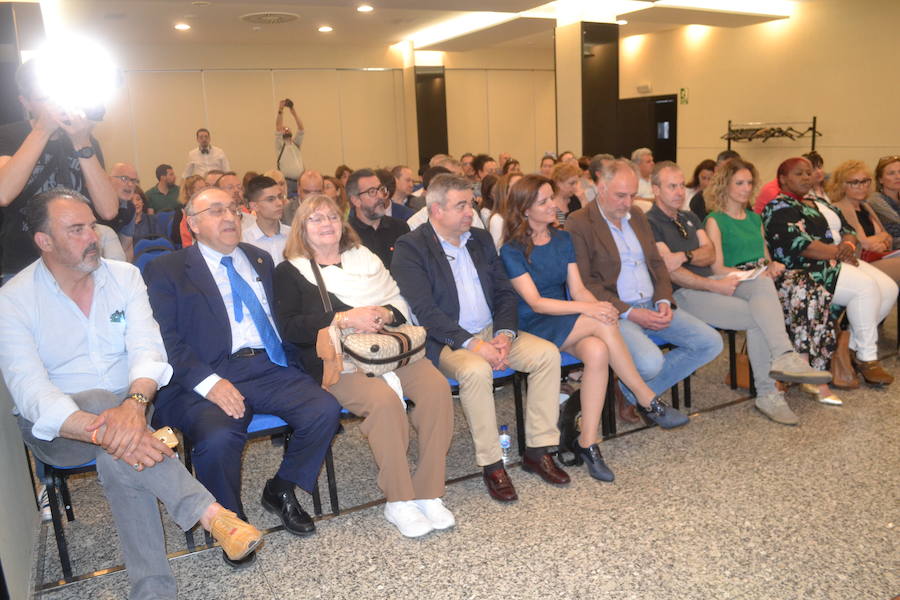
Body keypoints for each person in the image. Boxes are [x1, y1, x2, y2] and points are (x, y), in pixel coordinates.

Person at [0, 188, 262, 594]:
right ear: (44, 241)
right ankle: (210, 513)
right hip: (59, 429)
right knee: (113, 421)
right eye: (76, 230)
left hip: (134, 413)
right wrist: (115, 420)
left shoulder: (124, 276)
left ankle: (153, 590)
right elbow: (31, 391)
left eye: (92, 225)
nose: (92, 237)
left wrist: (135, 405)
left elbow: (148, 349)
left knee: (119, 458)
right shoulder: (13, 300)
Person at [143, 187, 342, 561]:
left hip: (266, 365)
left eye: (233, 209)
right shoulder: (167, 269)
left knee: (324, 410)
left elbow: (282, 320)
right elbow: (165, 340)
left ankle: (281, 488)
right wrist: (210, 383)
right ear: (193, 224)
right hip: (204, 374)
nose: (230, 217)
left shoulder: (260, 258)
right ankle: (231, 523)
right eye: (216, 211)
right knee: (218, 438)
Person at [273, 194, 454, 538]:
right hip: (338, 360)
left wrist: (385, 313)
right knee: (383, 402)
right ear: (301, 228)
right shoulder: (290, 271)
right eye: (316, 219)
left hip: (388, 350)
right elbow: (291, 328)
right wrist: (342, 319)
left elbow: (398, 302)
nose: (326, 224)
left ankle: (428, 490)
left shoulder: (364, 258)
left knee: (436, 389)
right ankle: (398, 499)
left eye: (331, 217)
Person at [392, 174, 569, 503]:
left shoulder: (480, 239)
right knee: (476, 370)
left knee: (546, 355)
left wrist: (503, 334)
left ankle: (538, 449)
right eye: (460, 206)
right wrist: (475, 346)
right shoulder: (411, 247)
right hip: (447, 341)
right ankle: (492, 464)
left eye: (470, 204)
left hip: (491, 330)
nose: (469, 212)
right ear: (436, 210)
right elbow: (426, 312)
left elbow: (504, 292)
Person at [501, 175, 675, 480]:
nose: (552, 205)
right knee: (600, 320)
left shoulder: (562, 239)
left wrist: (595, 306)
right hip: (533, 323)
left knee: (597, 350)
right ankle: (646, 398)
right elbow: (536, 302)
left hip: (567, 319)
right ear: (524, 209)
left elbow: (578, 289)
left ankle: (588, 442)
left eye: (551, 198)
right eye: (543, 201)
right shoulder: (512, 250)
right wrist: (591, 309)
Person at [649, 161, 830, 423]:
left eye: (680, 185)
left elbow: (708, 253)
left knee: (762, 289)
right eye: (671, 186)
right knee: (761, 312)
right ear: (655, 190)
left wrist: (686, 255)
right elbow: (672, 270)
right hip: (681, 294)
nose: (679, 192)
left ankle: (781, 364)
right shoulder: (650, 222)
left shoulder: (689, 216)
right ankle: (771, 387)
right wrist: (701, 267)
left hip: (710, 285)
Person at [567, 158, 721, 419]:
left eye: (633, 195)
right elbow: (585, 283)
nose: (628, 203)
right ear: (601, 188)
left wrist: (663, 299)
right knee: (650, 363)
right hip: (614, 312)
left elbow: (656, 263)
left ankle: (627, 392)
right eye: (620, 195)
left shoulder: (637, 216)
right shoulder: (579, 221)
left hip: (651, 303)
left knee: (710, 343)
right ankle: (639, 392)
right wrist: (629, 312)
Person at [763, 157, 897, 387]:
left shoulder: (816, 202)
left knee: (889, 288)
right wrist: (838, 251)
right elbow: (800, 245)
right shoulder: (779, 206)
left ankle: (849, 348)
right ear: (782, 179)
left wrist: (849, 245)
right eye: (799, 174)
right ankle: (867, 358)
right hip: (805, 268)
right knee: (866, 288)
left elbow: (847, 228)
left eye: (808, 173)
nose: (806, 177)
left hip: (837, 259)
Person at [0, 59, 118, 282]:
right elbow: (3, 193)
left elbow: (109, 210)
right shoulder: (8, 136)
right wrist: (43, 129)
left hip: (80, 266)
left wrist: (82, 143)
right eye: (44, 99)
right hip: (23, 267)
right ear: (25, 102)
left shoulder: (84, 140)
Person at [828, 160, 900, 282]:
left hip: (877, 258)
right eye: (854, 182)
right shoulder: (839, 207)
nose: (861, 186)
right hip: (856, 264)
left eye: (865, 181)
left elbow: (887, 236)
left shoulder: (865, 206)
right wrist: (878, 240)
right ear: (842, 185)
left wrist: (882, 243)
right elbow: (862, 243)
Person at [346, 169, 410, 268]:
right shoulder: (346, 235)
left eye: (381, 189)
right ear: (356, 200)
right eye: (372, 192)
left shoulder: (400, 228)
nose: (381, 196)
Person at [242, 175, 290, 265]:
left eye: (280, 197)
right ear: (254, 206)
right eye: (271, 199)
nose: (279, 203)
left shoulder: (293, 236)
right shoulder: (244, 241)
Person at [690, 150, 740, 220]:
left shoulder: (742, 198)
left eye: (735, 171)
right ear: (716, 169)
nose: (730, 175)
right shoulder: (701, 199)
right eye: (725, 170)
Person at [274, 99, 305, 197]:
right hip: (288, 182)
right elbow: (278, 126)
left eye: (287, 129)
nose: (286, 130)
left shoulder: (296, 144)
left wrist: (293, 111)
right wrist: (280, 109)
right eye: (284, 129)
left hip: (300, 182)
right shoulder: (280, 146)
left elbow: (301, 128)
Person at [868, 155, 900, 243]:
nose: (898, 176)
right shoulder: (875, 199)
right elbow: (897, 223)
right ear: (880, 179)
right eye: (891, 173)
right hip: (889, 247)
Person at [487, 172, 522, 249]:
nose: (522, 190)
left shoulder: (529, 214)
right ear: (504, 193)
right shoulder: (498, 219)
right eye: (515, 186)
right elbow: (500, 252)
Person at [173, 174, 205, 248]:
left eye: (205, 187)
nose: (204, 191)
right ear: (190, 192)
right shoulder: (181, 211)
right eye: (200, 189)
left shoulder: (209, 207)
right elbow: (176, 237)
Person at [549, 161, 585, 226]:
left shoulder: (574, 200)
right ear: (558, 183)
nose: (575, 187)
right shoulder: (548, 202)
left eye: (576, 183)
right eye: (571, 183)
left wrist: (583, 201)